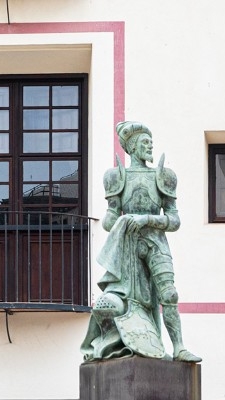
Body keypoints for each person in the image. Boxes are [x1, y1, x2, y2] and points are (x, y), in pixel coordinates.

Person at [81, 120, 201, 363]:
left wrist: (146, 218)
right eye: (145, 142)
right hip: (128, 247)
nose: (150, 145)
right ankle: (135, 342)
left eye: (150, 142)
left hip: (156, 243)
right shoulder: (116, 177)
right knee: (130, 300)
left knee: (169, 294)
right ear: (132, 146)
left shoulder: (163, 176)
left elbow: (174, 220)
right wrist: (115, 221)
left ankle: (178, 347)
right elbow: (111, 217)